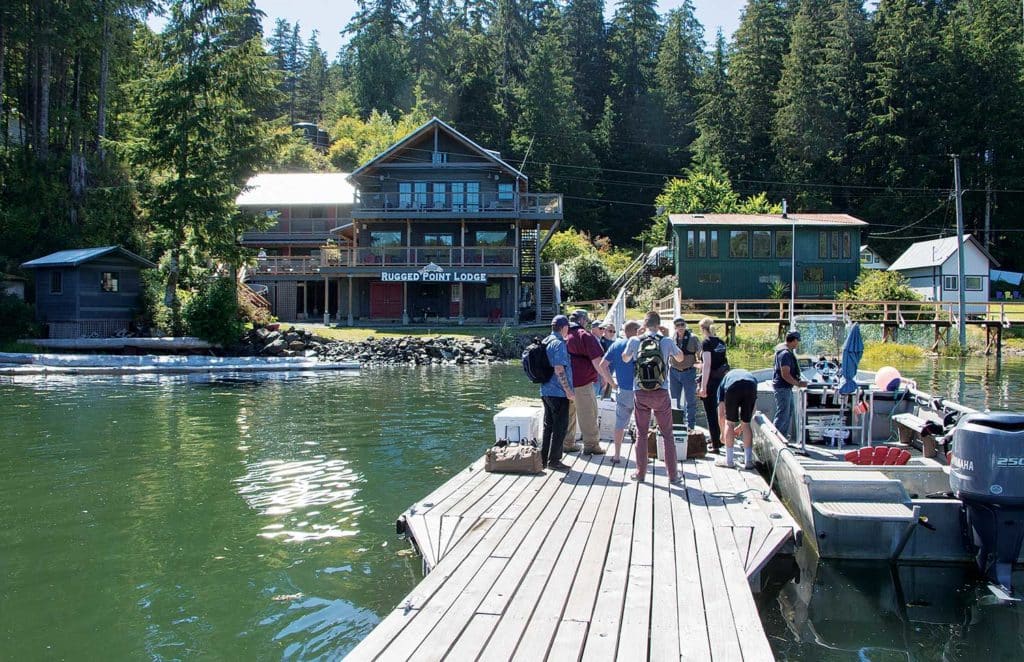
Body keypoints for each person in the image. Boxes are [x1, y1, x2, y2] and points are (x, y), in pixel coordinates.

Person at [623, 311, 682, 484]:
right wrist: (666, 336)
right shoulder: (666, 341)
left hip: (640, 392)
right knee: (667, 434)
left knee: (641, 434)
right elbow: (680, 357)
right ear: (659, 324)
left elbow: (625, 358)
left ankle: (641, 474)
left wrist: (636, 337)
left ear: (644, 324)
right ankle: (673, 476)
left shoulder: (635, 341)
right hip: (661, 392)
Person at [562, 309, 614, 455]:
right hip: (582, 381)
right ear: (583, 320)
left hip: (564, 382)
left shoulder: (564, 334)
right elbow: (598, 361)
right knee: (588, 413)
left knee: (569, 413)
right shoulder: (583, 335)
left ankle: (567, 442)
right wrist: (605, 378)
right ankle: (591, 445)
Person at [599, 320, 640, 464]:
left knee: (620, 424)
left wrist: (612, 383)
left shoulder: (616, 345)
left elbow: (602, 365)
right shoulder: (642, 344)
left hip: (623, 390)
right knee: (642, 424)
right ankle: (642, 457)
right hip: (642, 391)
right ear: (636, 331)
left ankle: (616, 455)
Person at [540, 315, 575, 471]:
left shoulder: (546, 341)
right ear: (564, 327)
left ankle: (543, 458)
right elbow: (559, 369)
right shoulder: (559, 344)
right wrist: (568, 390)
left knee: (548, 427)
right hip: (558, 392)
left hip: (545, 389)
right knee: (560, 427)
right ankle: (554, 460)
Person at [696, 317, 730, 453]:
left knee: (711, 413)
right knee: (722, 412)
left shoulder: (706, 343)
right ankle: (722, 439)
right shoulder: (721, 342)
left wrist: (703, 387)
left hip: (711, 381)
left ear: (703, 329)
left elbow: (707, 365)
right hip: (722, 381)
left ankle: (715, 445)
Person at [715, 368, 758, 470]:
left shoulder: (723, 382)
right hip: (750, 386)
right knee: (746, 424)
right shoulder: (751, 377)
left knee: (730, 423)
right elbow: (754, 408)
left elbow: (721, 413)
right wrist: (742, 427)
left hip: (732, 387)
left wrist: (722, 434)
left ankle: (729, 461)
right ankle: (748, 461)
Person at [773, 331, 808, 439]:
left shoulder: (785, 352)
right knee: (783, 413)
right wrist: (798, 384)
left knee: (788, 412)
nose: (798, 344)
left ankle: (782, 436)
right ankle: (775, 438)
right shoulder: (785, 354)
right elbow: (785, 374)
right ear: (793, 340)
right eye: (797, 341)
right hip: (782, 388)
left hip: (786, 388)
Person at [669, 317, 701, 430]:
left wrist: (700, 365)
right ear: (675, 327)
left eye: (682, 324)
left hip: (689, 372)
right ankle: (676, 424)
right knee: (674, 400)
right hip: (673, 372)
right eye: (678, 325)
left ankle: (691, 426)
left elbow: (701, 353)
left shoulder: (693, 338)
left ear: (685, 325)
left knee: (690, 400)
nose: (680, 327)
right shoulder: (672, 338)